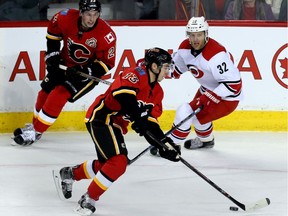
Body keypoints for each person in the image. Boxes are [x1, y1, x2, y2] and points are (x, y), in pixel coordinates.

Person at [57, 48, 181, 215]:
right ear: (154, 66)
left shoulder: (157, 92)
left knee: (106, 165)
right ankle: (88, 199)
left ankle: (70, 173)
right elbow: (124, 97)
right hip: (102, 117)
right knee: (118, 162)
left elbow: (151, 123)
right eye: (165, 67)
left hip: (116, 124)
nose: (168, 71)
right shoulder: (135, 74)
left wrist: (164, 144)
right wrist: (138, 119)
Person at [12, 0, 117, 145]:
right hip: (64, 64)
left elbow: (107, 63)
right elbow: (53, 34)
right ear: (80, 13)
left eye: (95, 14)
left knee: (58, 95)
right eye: (88, 14)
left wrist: (84, 70)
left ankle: (36, 132)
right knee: (45, 91)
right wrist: (53, 55)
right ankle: (34, 127)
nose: (92, 19)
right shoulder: (65, 17)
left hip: (85, 75)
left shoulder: (106, 35)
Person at [150, 16, 243, 155]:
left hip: (228, 97)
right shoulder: (184, 49)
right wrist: (153, 70)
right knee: (199, 119)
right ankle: (206, 141)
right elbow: (174, 71)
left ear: (206, 34)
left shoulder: (216, 55)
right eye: (192, 35)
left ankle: (170, 146)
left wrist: (210, 97)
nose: (195, 39)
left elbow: (235, 85)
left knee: (185, 111)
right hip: (207, 90)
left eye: (199, 34)